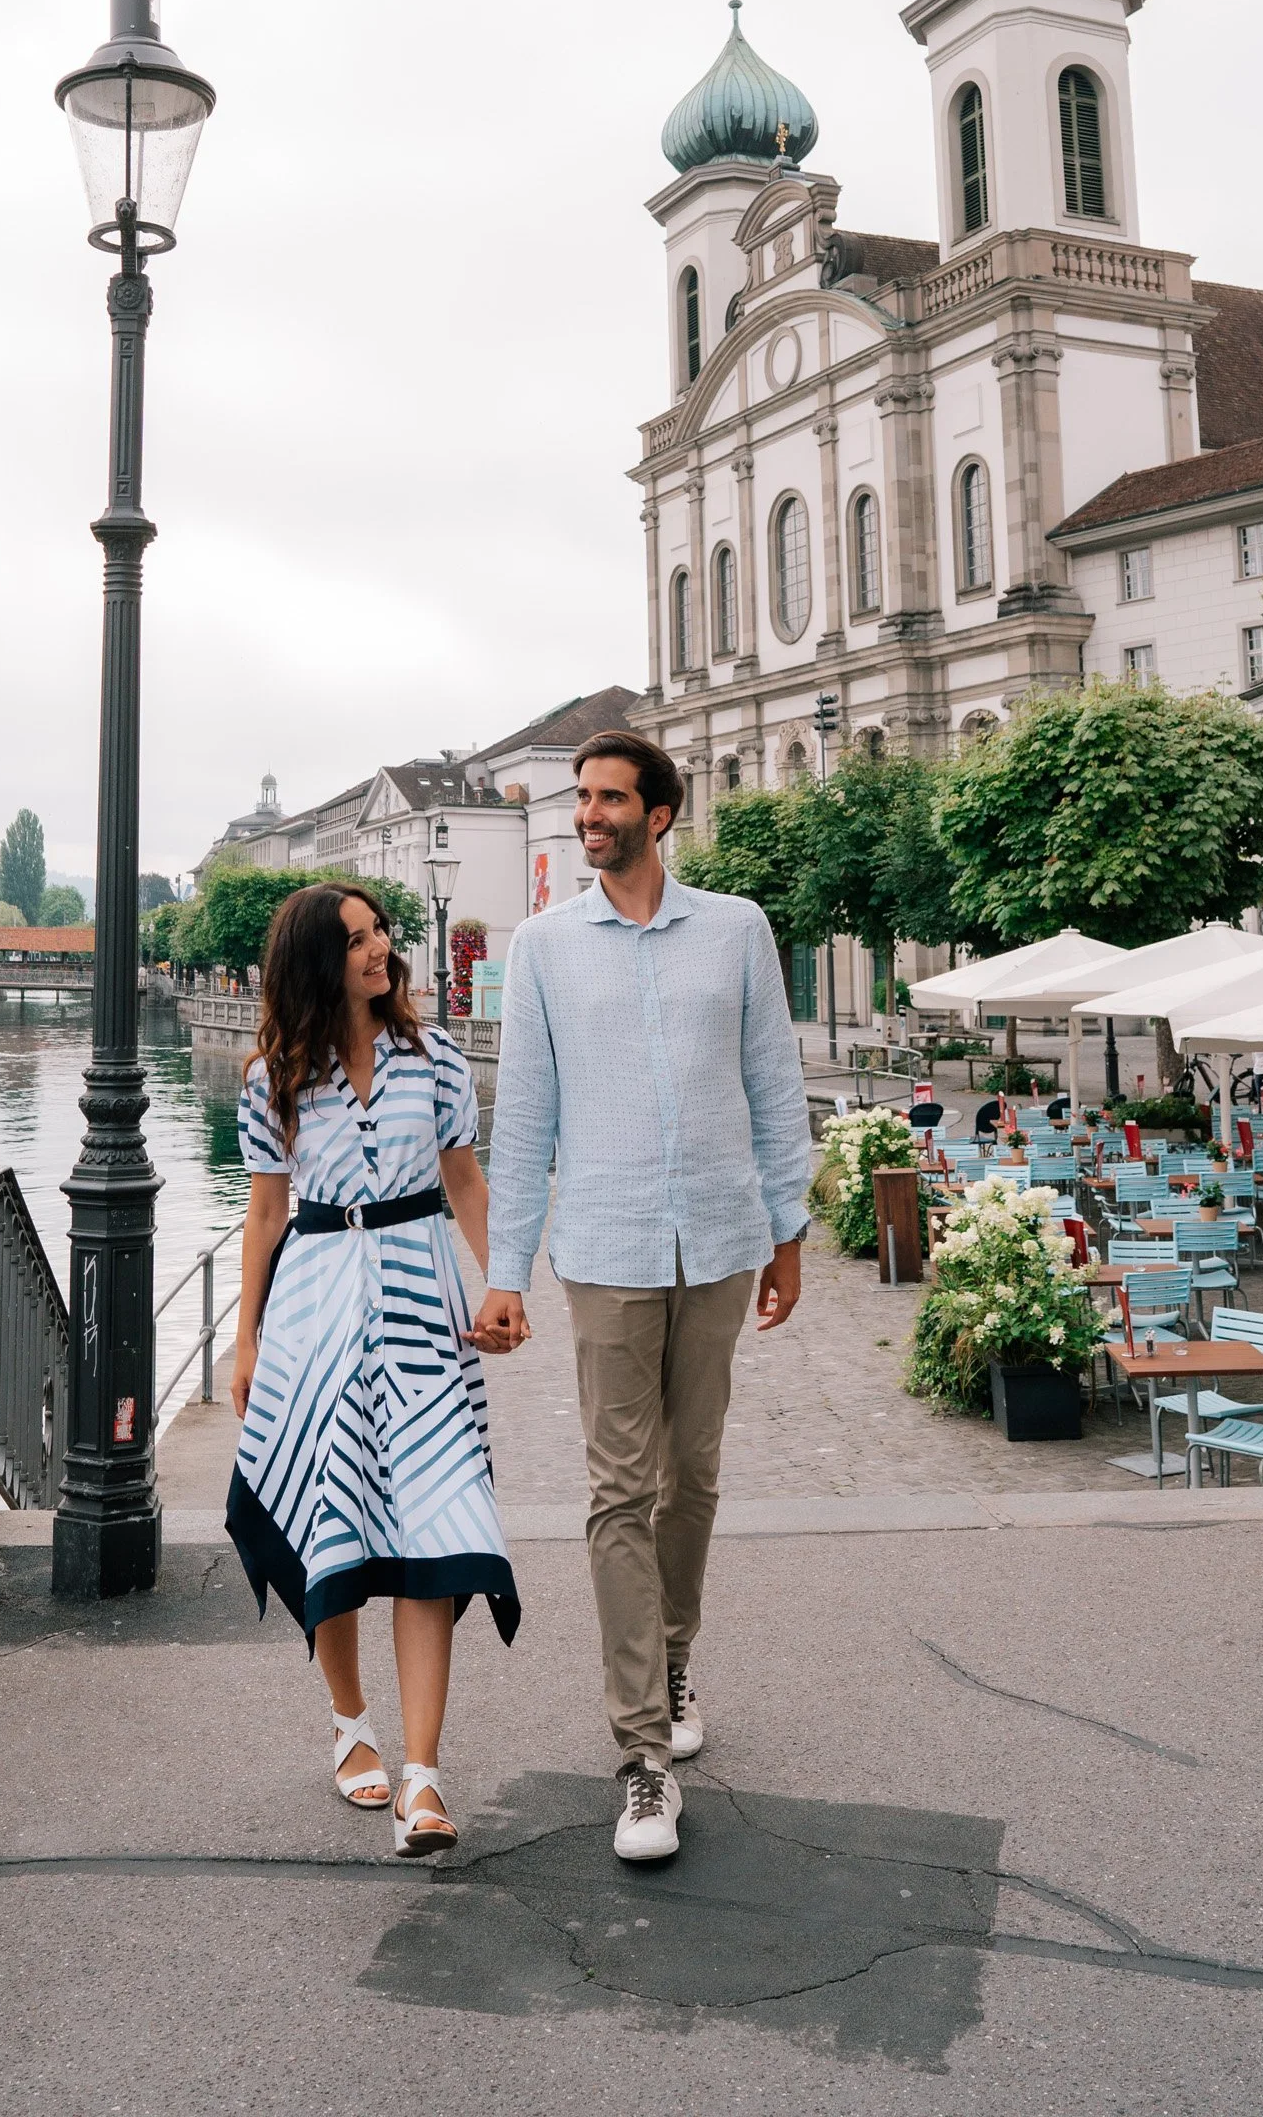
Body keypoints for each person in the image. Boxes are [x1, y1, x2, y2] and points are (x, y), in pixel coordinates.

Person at [470, 731, 810, 1865]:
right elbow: (521, 1122)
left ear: (660, 814)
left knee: (693, 1477)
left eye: (610, 798)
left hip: (716, 1240)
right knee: (620, 1488)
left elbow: (773, 1082)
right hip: (604, 1248)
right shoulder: (545, 948)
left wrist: (788, 1233)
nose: (589, 814)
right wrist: (505, 1269)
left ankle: (671, 1658)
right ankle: (640, 1755)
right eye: (582, 797)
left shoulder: (737, 931)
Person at [227, 884, 519, 1861]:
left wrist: (503, 1284)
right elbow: (265, 1216)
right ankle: (351, 1725)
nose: (377, 950)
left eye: (378, 933)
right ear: (316, 959)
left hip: (418, 1303)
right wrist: (246, 1339)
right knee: (334, 1527)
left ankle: (424, 1778)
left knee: (438, 1523)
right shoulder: (273, 1074)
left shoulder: (432, 1059)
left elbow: (464, 1181)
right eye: (353, 940)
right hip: (313, 1312)